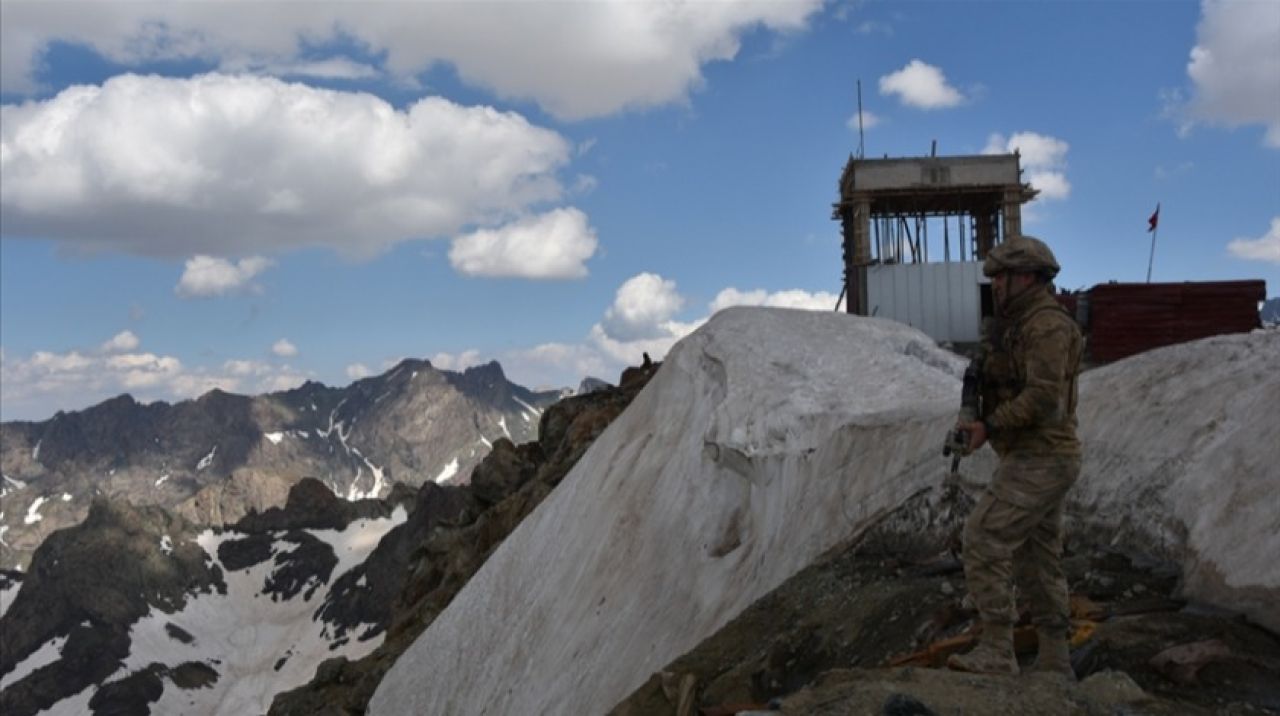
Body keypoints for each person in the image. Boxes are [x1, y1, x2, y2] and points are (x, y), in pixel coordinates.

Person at [947, 235, 1084, 678]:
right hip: (1034, 455)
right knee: (1037, 557)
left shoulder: (1046, 326)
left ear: (1027, 276)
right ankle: (1055, 660)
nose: (996, 286)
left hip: (1041, 456)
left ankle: (997, 651)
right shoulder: (1013, 326)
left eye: (1002, 277)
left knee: (984, 538)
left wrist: (991, 426)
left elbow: (1043, 399)